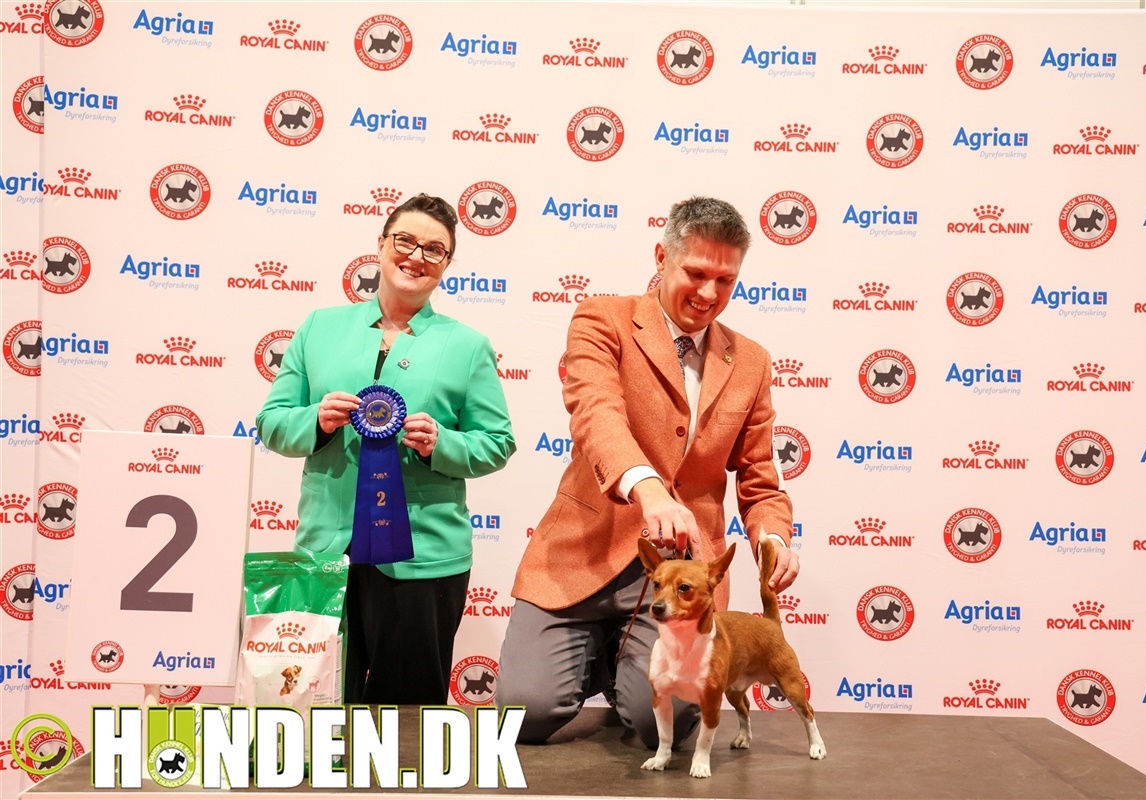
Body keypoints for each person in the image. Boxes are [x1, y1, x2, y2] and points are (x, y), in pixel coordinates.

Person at [496, 196, 799, 746]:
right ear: (662, 257)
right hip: (582, 554)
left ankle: (632, 675)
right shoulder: (601, 318)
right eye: (696, 273)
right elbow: (597, 415)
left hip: (681, 577)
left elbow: (759, 474)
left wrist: (773, 538)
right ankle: (608, 659)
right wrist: (650, 490)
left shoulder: (751, 361)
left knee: (668, 724)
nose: (709, 293)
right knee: (526, 714)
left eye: (725, 280)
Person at [257, 193, 516, 705]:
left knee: (408, 723)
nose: (417, 256)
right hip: (324, 554)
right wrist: (316, 420)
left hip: (423, 559)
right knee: (314, 706)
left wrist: (442, 444)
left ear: (446, 264)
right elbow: (271, 423)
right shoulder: (319, 327)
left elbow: (497, 442)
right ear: (380, 245)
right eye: (405, 241)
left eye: (434, 249)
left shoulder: (467, 346)